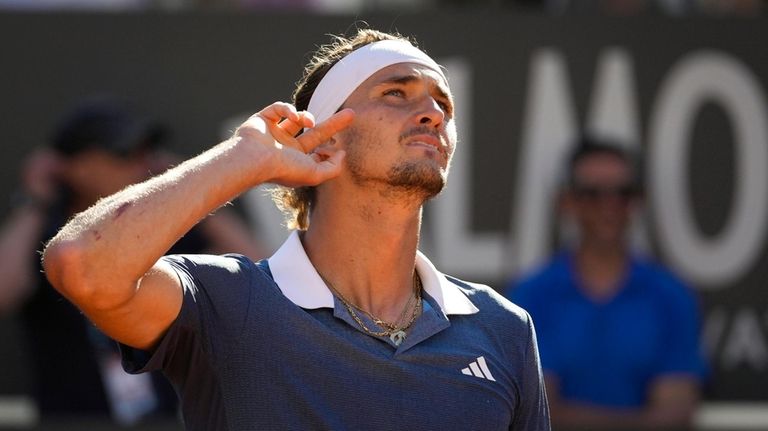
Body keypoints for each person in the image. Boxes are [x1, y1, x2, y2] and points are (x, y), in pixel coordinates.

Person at [41, 29, 551, 430]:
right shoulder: (226, 301)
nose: (432, 114)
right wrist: (242, 160)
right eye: (396, 93)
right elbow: (81, 265)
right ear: (324, 139)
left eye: (444, 104)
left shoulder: (504, 328)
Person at [0, 96, 263, 425]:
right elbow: (5, 290)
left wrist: (190, 189)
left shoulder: (170, 234)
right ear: (75, 165)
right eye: (123, 154)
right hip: (73, 421)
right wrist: (34, 199)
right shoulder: (43, 234)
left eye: (145, 153)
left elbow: (257, 274)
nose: (140, 165)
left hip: (168, 421)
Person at [505, 138, 706, 430]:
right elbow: (537, 412)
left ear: (638, 200)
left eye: (622, 193)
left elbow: (676, 415)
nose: (609, 205)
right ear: (567, 201)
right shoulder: (531, 297)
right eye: (592, 193)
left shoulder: (671, 297)